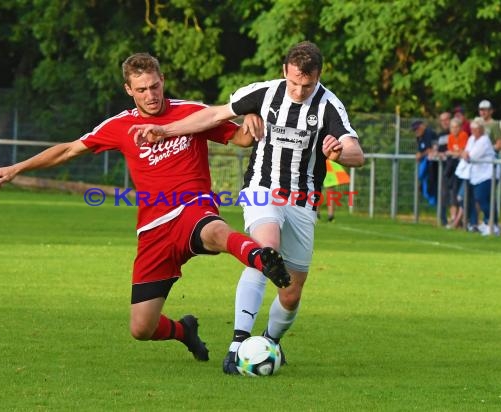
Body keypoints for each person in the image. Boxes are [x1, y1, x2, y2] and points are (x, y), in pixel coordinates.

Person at [0, 52, 291, 363]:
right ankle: (185, 331)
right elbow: (68, 150)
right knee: (142, 327)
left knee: (213, 230)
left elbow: (241, 138)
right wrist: (17, 168)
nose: (151, 95)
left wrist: (253, 117)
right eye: (142, 90)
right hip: (153, 230)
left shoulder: (191, 113)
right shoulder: (119, 125)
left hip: (191, 207)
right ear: (128, 90)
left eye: (155, 86)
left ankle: (260, 258)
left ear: (163, 82)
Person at [129, 41, 365, 374]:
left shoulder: (329, 105)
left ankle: (269, 340)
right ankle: (238, 343)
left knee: (291, 293)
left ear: (318, 77)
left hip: (302, 201)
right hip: (262, 190)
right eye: (294, 82)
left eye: (307, 85)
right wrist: (164, 130)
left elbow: (358, 153)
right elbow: (213, 115)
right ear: (285, 71)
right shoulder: (263, 92)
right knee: (265, 251)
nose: (299, 91)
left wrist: (340, 151)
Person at [463, 118, 500, 236]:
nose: (474, 131)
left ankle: (492, 224)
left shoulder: (484, 140)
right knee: (484, 199)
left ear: (481, 129)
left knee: (482, 198)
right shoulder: (471, 139)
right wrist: (465, 154)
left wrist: (466, 154)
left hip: (488, 174)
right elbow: (466, 152)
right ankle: (490, 223)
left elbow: (472, 156)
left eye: (476, 129)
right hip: (477, 175)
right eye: (472, 129)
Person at [445, 118, 469, 228]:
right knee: (452, 192)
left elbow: (461, 151)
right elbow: (450, 151)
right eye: (452, 127)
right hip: (453, 168)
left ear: (460, 127)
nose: (454, 129)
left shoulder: (464, 135)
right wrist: (455, 153)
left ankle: (461, 220)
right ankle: (454, 218)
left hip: (462, 168)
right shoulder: (450, 137)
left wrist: (455, 153)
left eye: (456, 127)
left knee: (460, 193)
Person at [412, 119, 438, 206]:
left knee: (429, 183)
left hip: (432, 165)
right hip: (426, 163)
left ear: (423, 126)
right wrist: (419, 154)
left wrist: (421, 154)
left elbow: (431, 149)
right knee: (422, 179)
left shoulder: (429, 133)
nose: (416, 131)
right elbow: (421, 150)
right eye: (415, 130)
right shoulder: (419, 136)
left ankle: (434, 203)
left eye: (418, 129)